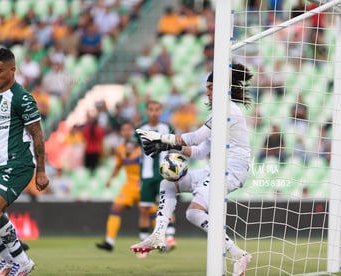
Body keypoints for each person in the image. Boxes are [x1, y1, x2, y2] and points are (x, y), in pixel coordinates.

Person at [131, 63, 253, 276]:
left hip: (231, 170)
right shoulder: (218, 113)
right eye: (206, 87)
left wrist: (162, 140)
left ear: (223, 87)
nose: (207, 92)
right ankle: (159, 233)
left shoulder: (229, 110)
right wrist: (166, 146)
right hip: (214, 169)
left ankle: (237, 254)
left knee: (193, 212)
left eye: (211, 87)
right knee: (168, 183)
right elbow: (198, 150)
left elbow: (195, 137)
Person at [0, 47, 49, 276]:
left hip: (19, 165)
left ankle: (22, 261)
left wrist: (41, 170)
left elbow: (38, 134)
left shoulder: (22, 98)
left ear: (12, 70)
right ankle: (8, 260)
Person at [135, 100, 178, 256]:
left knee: (167, 206)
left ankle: (170, 238)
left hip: (163, 174)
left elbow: (175, 146)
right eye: (151, 109)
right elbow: (133, 149)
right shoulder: (140, 129)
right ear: (147, 111)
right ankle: (144, 246)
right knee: (144, 210)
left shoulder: (167, 128)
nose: (154, 112)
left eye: (157, 110)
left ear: (161, 111)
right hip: (146, 175)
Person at [96, 121, 142, 252]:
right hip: (130, 185)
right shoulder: (120, 149)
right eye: (124, 130)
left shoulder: (141, 147)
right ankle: (109, 242)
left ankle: (164, 241)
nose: (127, 132)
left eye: (129, 129)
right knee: (115, 208)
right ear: (121, 132)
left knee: (151, 212)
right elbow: (118, 165)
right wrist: (110, 178)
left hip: (143, 184)